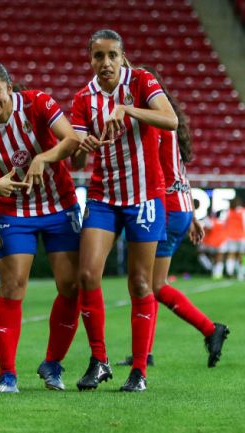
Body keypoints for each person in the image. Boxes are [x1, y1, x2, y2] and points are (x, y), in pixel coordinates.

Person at [0, 62, 84, 392]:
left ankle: (53, 364)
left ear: (9, 88)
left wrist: (43, 158)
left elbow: (71, 139)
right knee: (13, 287)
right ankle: (8, 374)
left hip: (60, 204)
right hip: (14, 210)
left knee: (71, 287)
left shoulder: (37, 103)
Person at [71, 29, 179, 392]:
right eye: (98, 56)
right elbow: (77, 160)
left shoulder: (142, 81)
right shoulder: (83, 99)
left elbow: (171, 120)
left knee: (140, 282)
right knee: (86, 274)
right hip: (103, 196)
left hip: (146, 197)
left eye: (112, 55)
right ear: (90, 59)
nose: (105, 63)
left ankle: (139, 371)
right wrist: (82, 146)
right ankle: (99, 360)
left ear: (122, 56)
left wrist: (129, 108)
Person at [113, 66, 229, 369]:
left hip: (163, 207)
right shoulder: (167, 121)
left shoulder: (154, 125)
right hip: (178, 208)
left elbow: (159, 175)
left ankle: (209, 328)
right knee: (150, 284)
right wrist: (190, 214)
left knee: (153, 285)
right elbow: (179, 172)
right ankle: (145, 352)